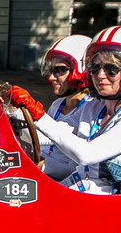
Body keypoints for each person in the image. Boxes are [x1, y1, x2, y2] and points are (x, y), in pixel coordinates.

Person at [8, 26, 121, 194]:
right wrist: (13, 112)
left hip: (112, 205)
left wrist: (38, 115)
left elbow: (86, 155)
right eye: (95, 69)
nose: (100, 75)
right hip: (81, 192)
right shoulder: (95, 106)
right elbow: (73, 162)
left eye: (111, 69)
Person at [38, 34, 93, 180]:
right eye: (52, 70)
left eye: (60, 70)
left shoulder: (89, 111)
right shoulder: (58, 105)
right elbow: (42, 141)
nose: (51, 77)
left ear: (81, 70)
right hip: (42, 175)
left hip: (60, 184)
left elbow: (76, 166)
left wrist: (38, 166)